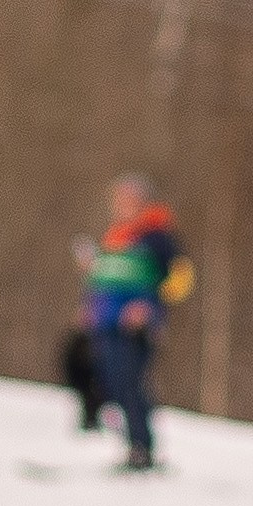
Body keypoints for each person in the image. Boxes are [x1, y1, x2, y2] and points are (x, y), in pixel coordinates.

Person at [84, 175, 193, 472]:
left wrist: (150, 306)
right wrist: (89, 306)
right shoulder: (116, 235)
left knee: (130, 383)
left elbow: (181, 276)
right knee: (115, 384)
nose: (121, 205)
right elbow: (106, 280)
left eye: (127, 199)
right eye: (118, 200)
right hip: (107, 322)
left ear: (142, 202)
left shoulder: (156, 236)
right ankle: (135, 445)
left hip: (136, 327)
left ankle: (142, 448)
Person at [59, 305, 102, 433]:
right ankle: (89, 424)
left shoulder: (103, 340)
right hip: (82, 380)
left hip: (96, 380)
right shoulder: (77, 340)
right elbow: (69, 363)